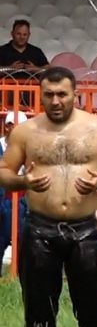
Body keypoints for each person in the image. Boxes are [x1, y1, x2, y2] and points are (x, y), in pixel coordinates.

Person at [0, 67, 97, 327]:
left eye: (62, 94)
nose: (55, 101)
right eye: (49, 95)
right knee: (37, 300)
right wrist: (24, 181)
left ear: (75, 95)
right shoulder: (26, 131)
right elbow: (3, 172)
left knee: (94, 299)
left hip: (83, 227)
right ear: (41, 97)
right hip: (40, 227)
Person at [0, 112, 26, 275]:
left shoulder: (29, 148)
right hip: (3, 200)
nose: (15, 129)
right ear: (7, 126)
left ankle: (21, 274)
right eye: (11, 124)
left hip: (23, 200)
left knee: (24, 241)